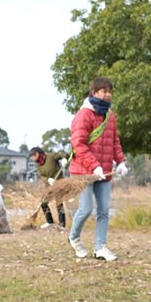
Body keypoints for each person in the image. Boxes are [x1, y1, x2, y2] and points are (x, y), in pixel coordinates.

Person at [67, 77, 129, 262]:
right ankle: (74, 237)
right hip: (83, 172)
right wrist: (95, 166)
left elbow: (114, 142)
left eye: (110, 90)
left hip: (104, 172)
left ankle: (100, 247)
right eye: (103, 91)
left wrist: (121, 161)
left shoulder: (110, 116)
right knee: (86, 209)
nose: (108, 94)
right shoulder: (84, 115)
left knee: (103, 210)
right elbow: (78, 144)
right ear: (94, 93)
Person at [28, 146, 68, 229]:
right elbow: (41, 176)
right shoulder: (38, 165)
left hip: (59, 183)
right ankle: (50, 222)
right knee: (43, 203)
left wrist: (64, 158)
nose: (32, 158)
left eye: (33, 156)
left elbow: (63, 154)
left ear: (37, 154)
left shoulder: (51, 156)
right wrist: (48, 179)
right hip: (49, 186)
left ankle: (62, 225)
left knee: (59, 203)